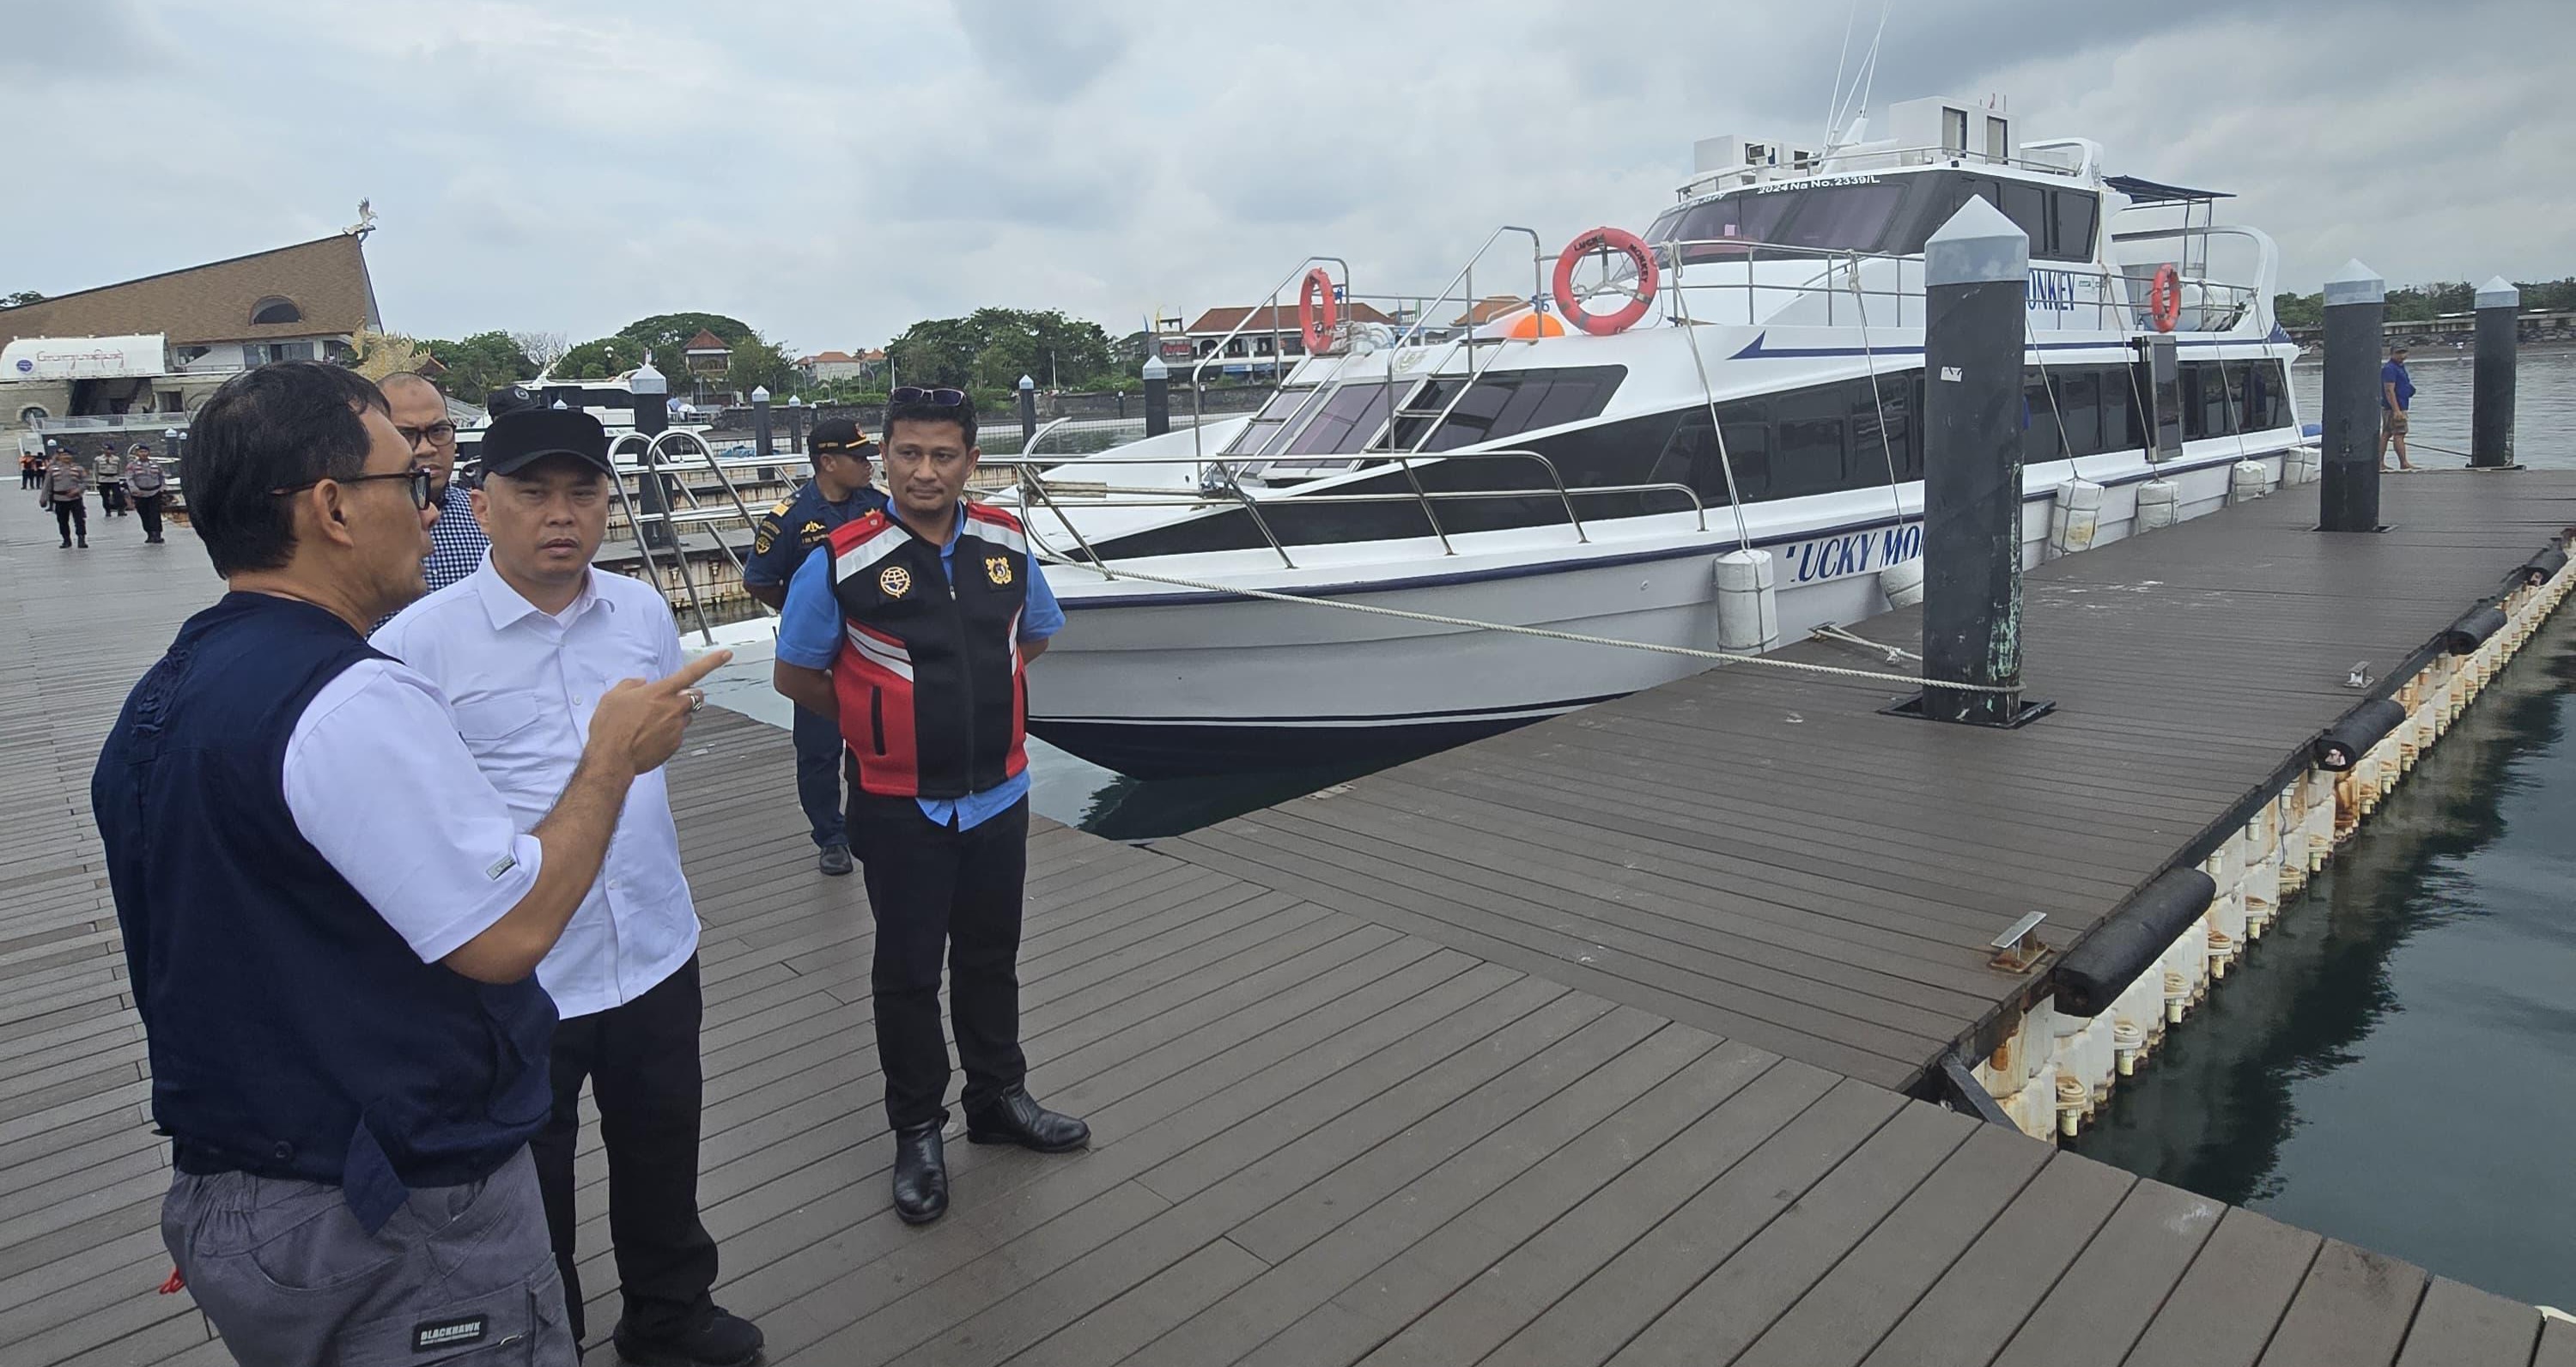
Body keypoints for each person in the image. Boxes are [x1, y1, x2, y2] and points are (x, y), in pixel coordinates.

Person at [89, 361, 727, 1367]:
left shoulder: (164, 694)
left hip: (256, 1170)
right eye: (412, 483)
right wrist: (608, 757)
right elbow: (508, 935)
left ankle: (669, 1310)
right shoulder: (356, 694)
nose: (430, 508)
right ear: (334, 507)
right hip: (383, 1196)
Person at [374, 409, 763, 1367]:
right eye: (533, 492)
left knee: (663, 1145)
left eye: (583, 491)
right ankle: (550, 1336)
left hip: (656, 941)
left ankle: (671, 1313)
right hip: (520, 967)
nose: (562, 514)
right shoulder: (416, 645)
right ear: (480, 504)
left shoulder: (638, 612)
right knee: (528, 1183)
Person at [771, 388, 1085, 1227]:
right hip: (896, 802)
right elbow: (796, 673)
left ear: (970, 462)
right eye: (908, 452)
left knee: (990, 957)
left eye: (944, 454)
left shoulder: (1006, 539)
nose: (924, 469)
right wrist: (883, 725)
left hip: (999, 794)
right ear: (886, 456)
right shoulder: (839, 557)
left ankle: (998, 1099)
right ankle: (919, 1130)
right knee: (907, 976)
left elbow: (1037, 632)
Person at [739, 417, 888, 876]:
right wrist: (805, 614)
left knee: (878, 737)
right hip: (818, 658)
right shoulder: (790, 518)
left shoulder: (880, 507)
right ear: (827, 462)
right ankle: (831, 836)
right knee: (820, 749)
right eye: (858, 457)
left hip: (871, 648)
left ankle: (877, 823)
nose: (868, 464)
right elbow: (759, 580)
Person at [383, 371, 490, 593]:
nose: (426, 449)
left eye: (439, 431)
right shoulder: (356, 530)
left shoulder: (488, 519)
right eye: (406, 434)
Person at [43, 445, 88, 548]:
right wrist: (43, 498)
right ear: (59, 457)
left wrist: (77, 490)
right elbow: (47, 485)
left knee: (79, 520)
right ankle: (66, 540)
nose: (66, 457)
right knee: (62, 521)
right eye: (63, 455)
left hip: (75, 498)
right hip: (60, 499)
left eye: (68, 455)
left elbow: (85, 482)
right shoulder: (52, 470)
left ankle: (81, 539)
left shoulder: (78, 469)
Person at [2380, 344, 2415, 472]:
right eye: (2398, 353)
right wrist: (2396, 410)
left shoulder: (2399, 367)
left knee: (2387, 433)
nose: (2401, 356)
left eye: (2404, 352)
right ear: (2392, 354)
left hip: (2398, 404)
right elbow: (2389, 390)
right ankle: (2404, 463)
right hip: (2395, 407)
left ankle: (2380, 463)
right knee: (2400, 433)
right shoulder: (2390, 368)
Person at [125, 442, 168, 544]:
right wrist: (134, 490)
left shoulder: (155, 464)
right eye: (141, 452)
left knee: (155, 514)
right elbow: (129, 479)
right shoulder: (132, 466)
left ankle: (157, 534)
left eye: (145, 451)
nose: (143, 454)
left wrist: (163, 488)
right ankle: (149, 534)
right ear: (137, 453)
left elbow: (162, 476)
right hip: (140, 493)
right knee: (144, 514)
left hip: (155, 492)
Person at [95, 441, 127, 516]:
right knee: (105, 496)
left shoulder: (116, 459)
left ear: (112, 451)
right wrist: (98, 479)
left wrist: (118, 477)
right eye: (106, 450)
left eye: (109, 450)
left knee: (118, 495)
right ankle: (107, 511)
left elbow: (119, 469)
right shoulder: (98, 459)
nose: (107, 451)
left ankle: (120, 510)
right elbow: (96, 470)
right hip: (103, 479)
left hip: (114, 479)